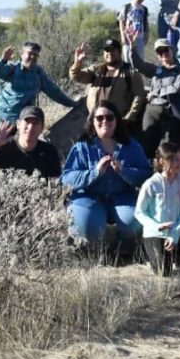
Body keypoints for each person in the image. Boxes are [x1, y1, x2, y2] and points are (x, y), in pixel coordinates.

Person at [60, 101, 151, 256]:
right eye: (99, 118)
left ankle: (122, 248)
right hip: (88, 197)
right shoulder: (82, 146)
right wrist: (95, 173)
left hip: (123, 197)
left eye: (109, 117)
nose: (105, 121)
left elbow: (146, 174)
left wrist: (124, 171)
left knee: (135, 223)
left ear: (117, 121)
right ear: (92, 122)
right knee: (87, 228)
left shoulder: (131, 145)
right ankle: (92, 249)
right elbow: (67, 177)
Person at [125, 33, 180, 156]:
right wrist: (133, 47)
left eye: (166, 50)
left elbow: (177, 87)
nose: (163, 53)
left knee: (166, 145)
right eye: (160, 52)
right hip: (152, 109)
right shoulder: (156, 69)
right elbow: (138, 65)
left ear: (172, 50)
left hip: (170, 111)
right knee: (147, 138)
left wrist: (155, 93)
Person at [134, 142, 180, 276]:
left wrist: (175, 235)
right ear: (162, 161)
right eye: (174, 159)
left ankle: (174, 256)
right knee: (163, 271)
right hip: (155, 234)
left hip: (177, 233)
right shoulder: (151, 184)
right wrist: (156, 226)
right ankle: (148, 254)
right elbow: (139, 212)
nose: (179, 163)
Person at [0, 41, 78, 124]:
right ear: (22, 54)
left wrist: (72, 104)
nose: (32, 57)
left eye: (35, 55)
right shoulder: (12, 68)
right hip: (4, 118)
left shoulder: (39, 73)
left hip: (24, 120)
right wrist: (3, 60)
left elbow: (54, 92)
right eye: (30, 53)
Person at [69, 38, 146, 134]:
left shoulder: (130, 72)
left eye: (113, 50)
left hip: (118, 123)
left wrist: (129, 117)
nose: (109, 53)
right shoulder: (96, 70)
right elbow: (76, 76)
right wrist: (77, 62)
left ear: (119, 52)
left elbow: (139, 95)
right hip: (96, 121)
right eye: (107, 50)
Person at [0, 106, 60, 179]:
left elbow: (55, 181)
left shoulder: (49, 151)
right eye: (27, 122)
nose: (30, 127)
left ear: (42, 127)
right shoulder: (4, 147)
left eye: (35, 123)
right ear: (18, 124)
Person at [118, 0, 151, 64]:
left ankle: (138, 72)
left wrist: (146, 35)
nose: (141, 0)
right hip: (128, 38)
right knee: (127, 58)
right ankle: (128, 72)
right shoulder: (126, 7)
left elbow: (146, 23)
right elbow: (121, 21)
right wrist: (122, 35)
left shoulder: (144, 9)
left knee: (140, 59)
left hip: (140, 38)